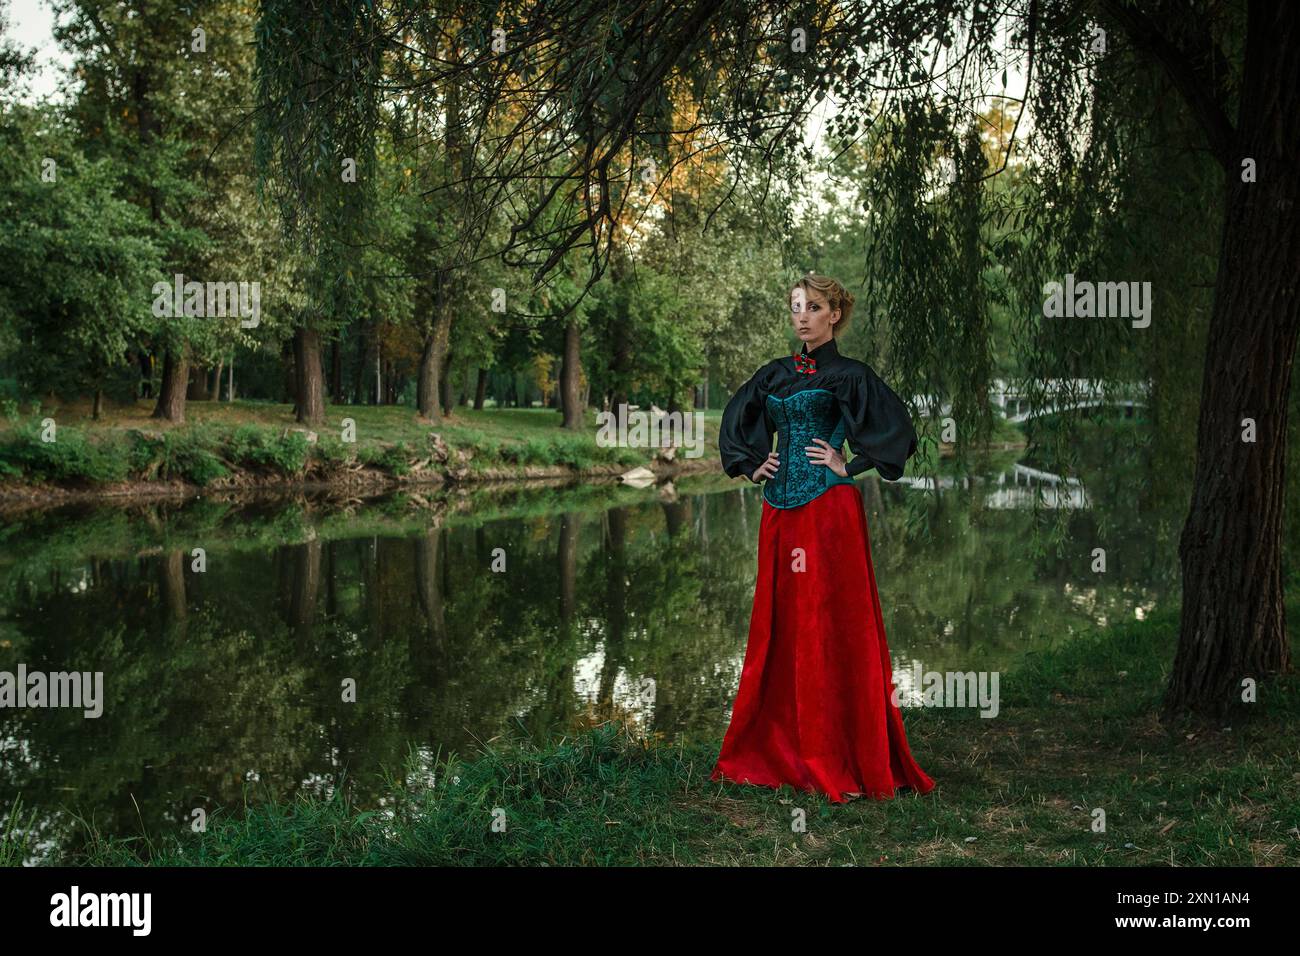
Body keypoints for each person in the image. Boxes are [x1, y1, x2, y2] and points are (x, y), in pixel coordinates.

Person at [711, 273, 936, 802]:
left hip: (828, 511)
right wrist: (751, 463)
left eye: (813, 307)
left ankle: (837, 751)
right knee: (782, 625)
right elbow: (736, 418)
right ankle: (781, 749)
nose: (802, 316)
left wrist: (849, 463)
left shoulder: (851, 375)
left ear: (834, 315)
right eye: (795, 307)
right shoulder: (776, 374)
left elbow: (897, 431)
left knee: (831, 624)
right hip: (780, 514)